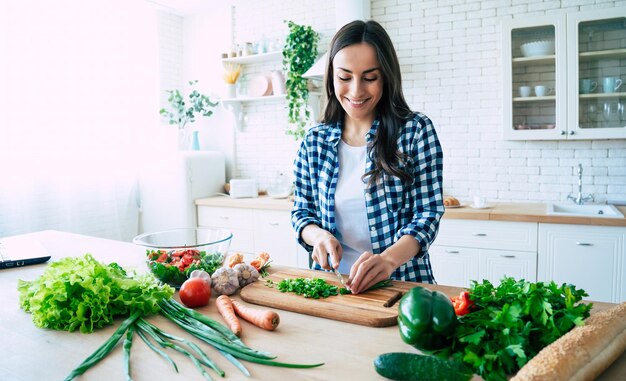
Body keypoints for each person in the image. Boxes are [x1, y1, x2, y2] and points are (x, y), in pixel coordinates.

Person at [291, 20, 444, 294]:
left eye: (370, 77)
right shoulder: (314, 142)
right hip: (331, 288)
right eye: (345, 77)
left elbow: (427, 214)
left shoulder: (415, 131)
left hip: (402, 285)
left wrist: (388, 260)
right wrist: (318, 236)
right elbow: (302, 213)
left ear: (386, 76)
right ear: (331, 77)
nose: (356, 91)